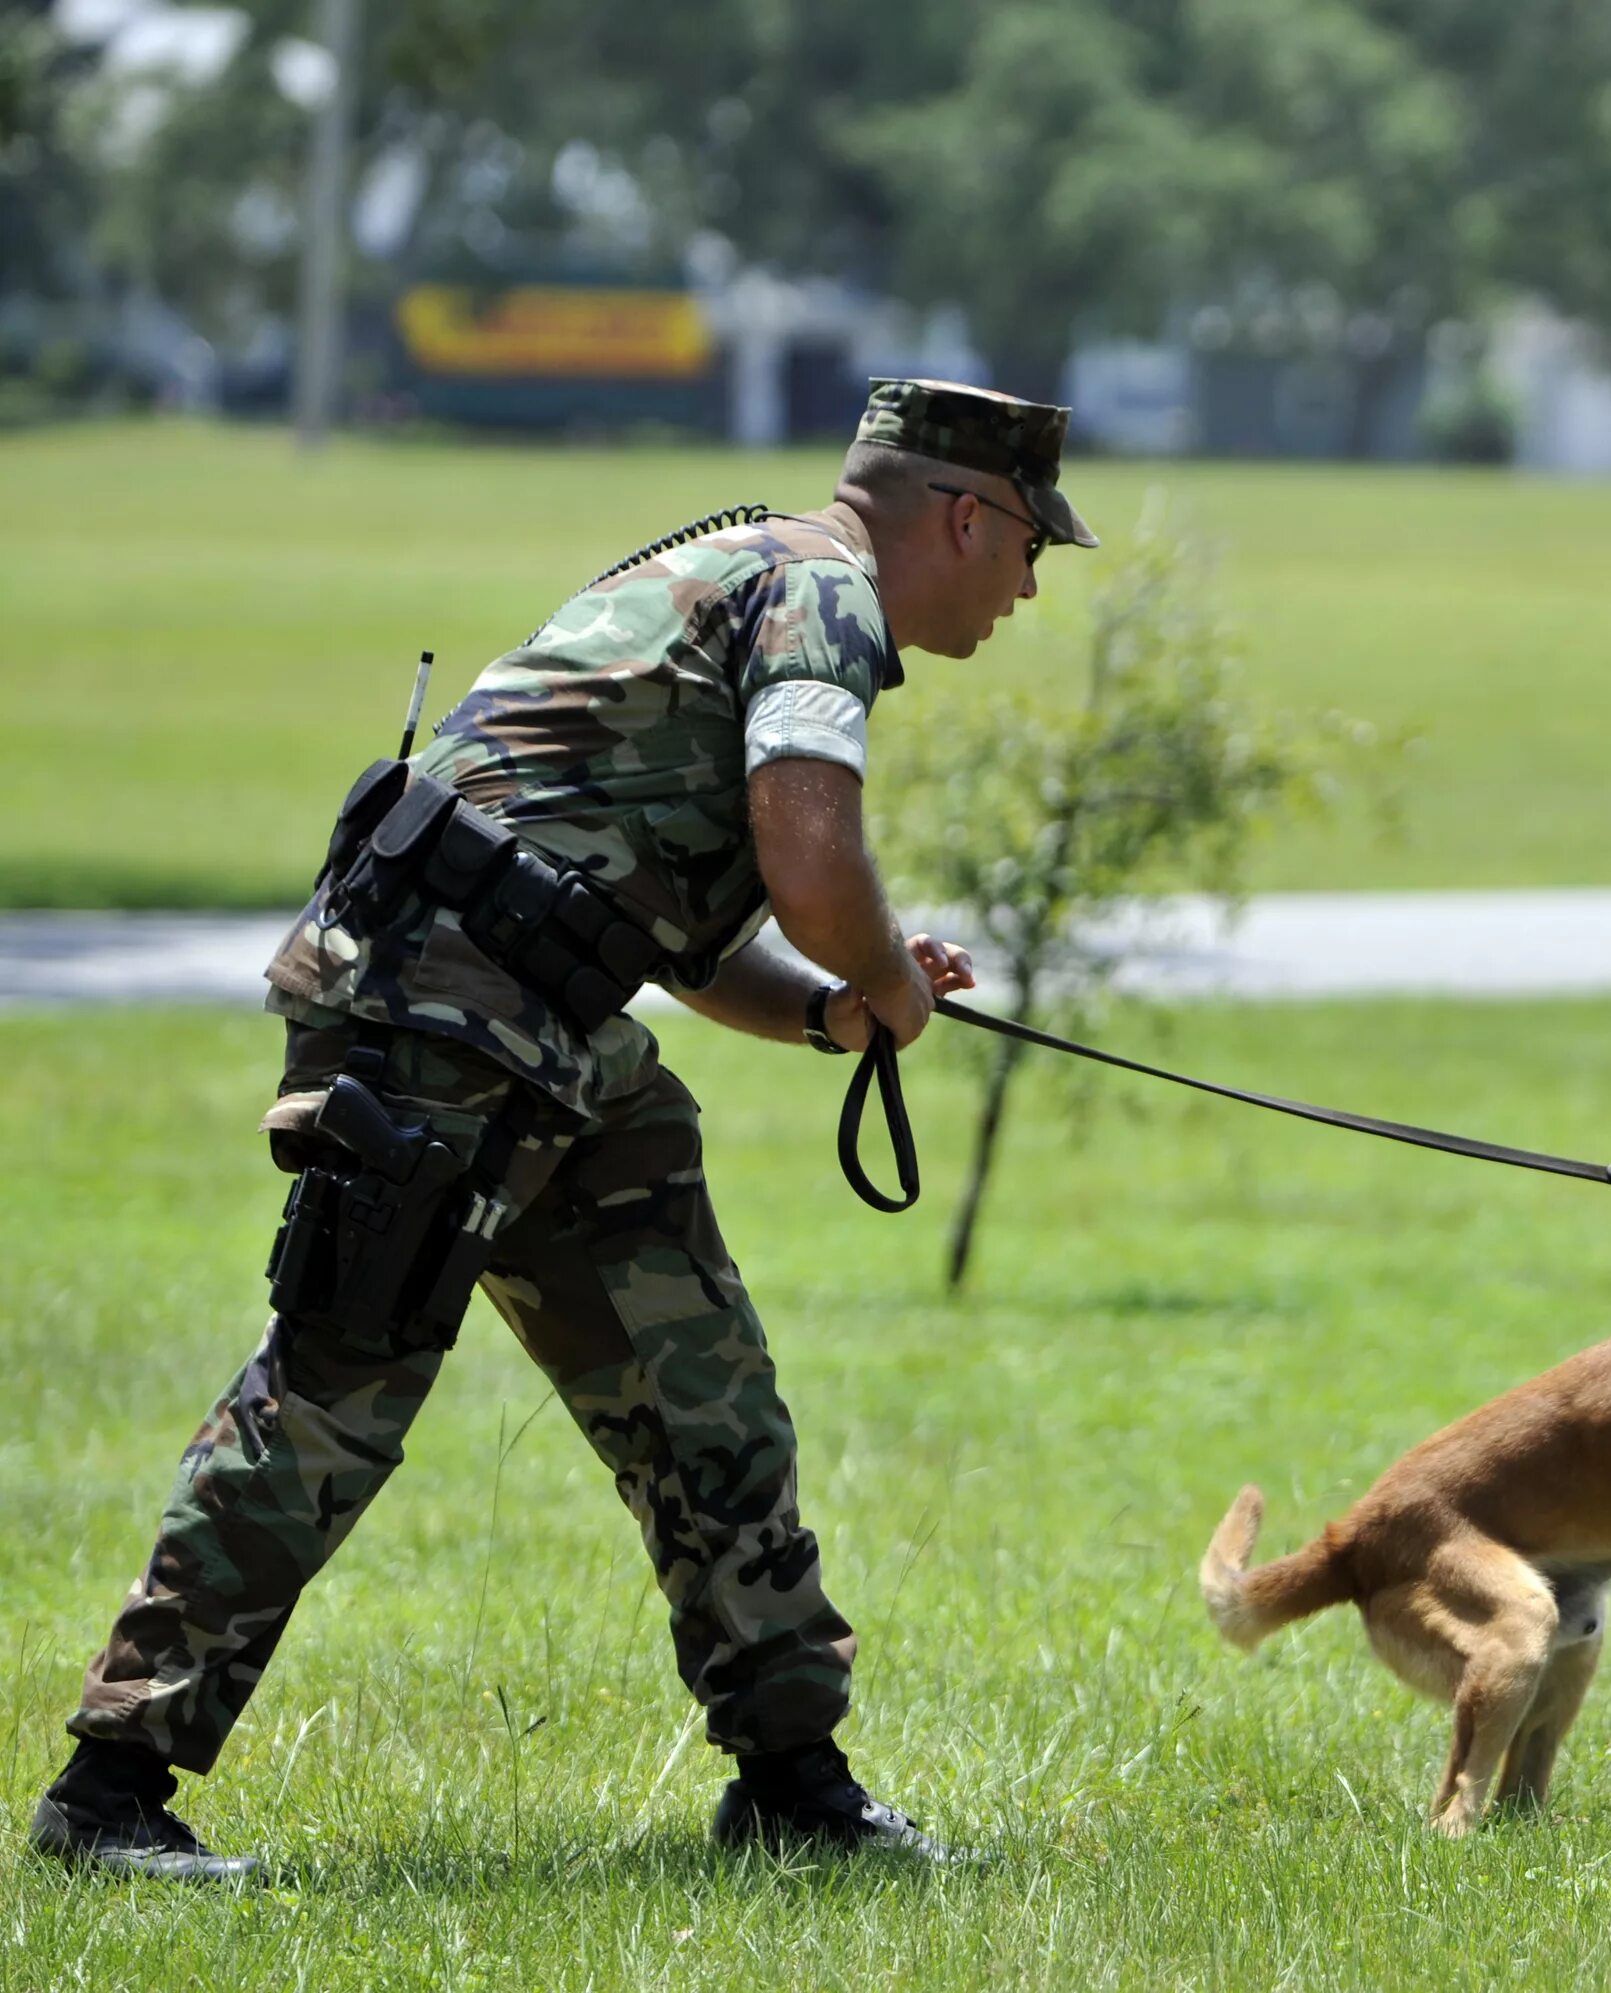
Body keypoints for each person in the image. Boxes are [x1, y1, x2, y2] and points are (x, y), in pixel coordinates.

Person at [29, 379, 1096, 1882]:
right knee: (342, 1381)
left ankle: (795, 1786)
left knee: (702, 1387)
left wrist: (825, 1011)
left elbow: (656, 922)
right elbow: (806, 835)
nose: (1034, 584)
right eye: (1032, 544)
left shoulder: (758, 574)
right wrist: (880, 974)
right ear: (962, 514)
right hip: (446, 1013)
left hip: (552, 1025)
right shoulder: (824, 594)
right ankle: (107, 1796)